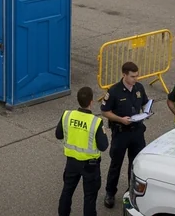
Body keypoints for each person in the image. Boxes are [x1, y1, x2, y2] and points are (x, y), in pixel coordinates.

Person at [100, 61, 149, 209]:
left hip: (137, 132)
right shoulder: (114, 91)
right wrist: (121, 120)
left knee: (135, 164)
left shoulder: (139, 88)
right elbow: (105, 111)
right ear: (124, 75)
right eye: (133, 76)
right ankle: (110, 193)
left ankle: (131, 191)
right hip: (121, 133)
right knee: (116, 164)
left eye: (137, 75)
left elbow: (145, 103)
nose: (136, 79)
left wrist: (147, 112)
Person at [56, 86, 109, 216]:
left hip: (71, 162)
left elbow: (58, 135)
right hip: (90, 166)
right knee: (89, 197)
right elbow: (103, 146)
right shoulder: (96, 122)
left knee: (67, 191)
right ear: (91, 102)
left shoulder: (67, 115)